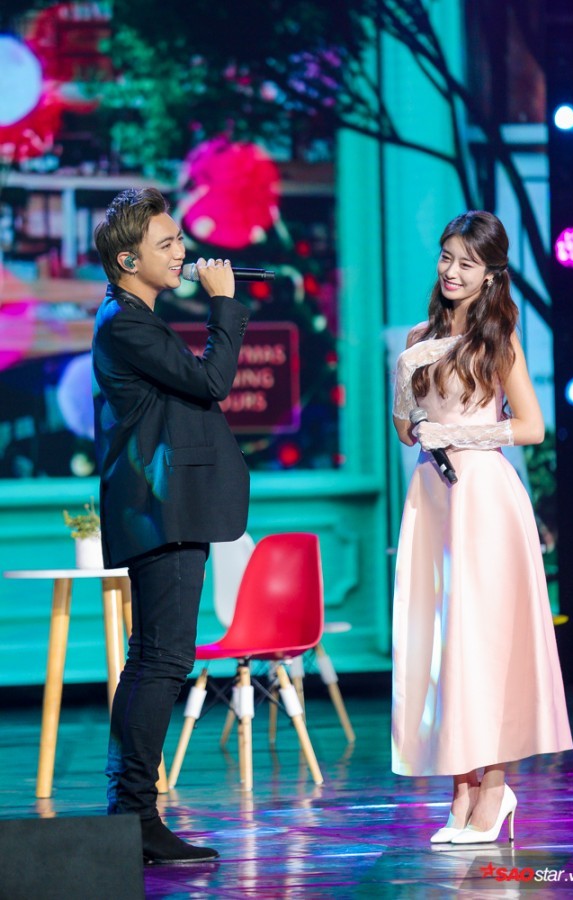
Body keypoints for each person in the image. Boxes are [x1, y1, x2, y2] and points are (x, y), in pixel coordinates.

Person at [391, 210, 572, 844]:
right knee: (445, 644)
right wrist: (408, 396)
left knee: (483, 643)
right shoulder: (419, 336)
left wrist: (458, 433)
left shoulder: (499, 339)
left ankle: (492, 790)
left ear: (491, 274)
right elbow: (407, 429)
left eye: (467, 263)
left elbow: (531, 426)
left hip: (485, 498)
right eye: (447, 257)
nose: (452, 271)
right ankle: (461, 792)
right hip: (432, 496)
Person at [92, 187, 250, 863]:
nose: (183, 252)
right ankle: (134, 816)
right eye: (167, 244)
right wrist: (224, 305)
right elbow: (211, 382)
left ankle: (131, 815)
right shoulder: (126, 324)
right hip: (160, 508)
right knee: (161, 661)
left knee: (154, 659)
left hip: (166, 506)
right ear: (129, 260)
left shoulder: (135, 319)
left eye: (180, 239)